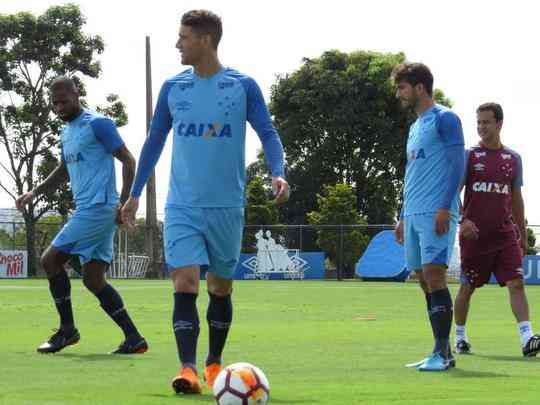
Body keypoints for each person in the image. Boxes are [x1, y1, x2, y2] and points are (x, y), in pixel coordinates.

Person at [120, 10, 289, 394]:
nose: (177, 44)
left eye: (183, 37)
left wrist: (278, 171)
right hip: (182, 205)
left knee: (220, 287)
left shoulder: (243, 86)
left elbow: (268, 132)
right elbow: (153, 143)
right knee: (184, 282)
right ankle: (188, 369)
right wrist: (132, 196)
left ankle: (214, 364)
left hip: (227, 206)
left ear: (206, 40)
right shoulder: (172, 88)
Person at [16, 76, 147, 355]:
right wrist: (33, 192)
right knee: (93, 279)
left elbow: (128, 160)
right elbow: (64, 169)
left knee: (50, 260)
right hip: (90, 210)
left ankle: (67, 331)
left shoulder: (98, 123)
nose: (59, 107)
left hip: (99, 208)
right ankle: (134, 338)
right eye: (55, 103)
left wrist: (123, 205)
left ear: (77, 94)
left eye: (64, 101)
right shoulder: (65, 132)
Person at [392, 62, 465, 371]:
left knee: (434, 275)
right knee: (422, 278)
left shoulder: (445, 119)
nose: (399, 94)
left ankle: (442, 353)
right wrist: (402, 214)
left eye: (402, 87)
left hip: (437, 210)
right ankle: (442, 349)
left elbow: (457, 163)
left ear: (419, 87)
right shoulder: (415, 126)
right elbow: (412, 172)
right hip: (413, 213)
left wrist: (445, 206)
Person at [454, 102, 540, 357]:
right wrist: (462, 220)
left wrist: (522, 233)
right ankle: (459, 336)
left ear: (499, 124)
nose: (481, 127)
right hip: (474, 236)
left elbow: (516, 198)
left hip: (504, 235)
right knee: (467, 288)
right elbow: (452, 192)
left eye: (486, 122)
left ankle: (527, 338)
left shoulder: (513, 159)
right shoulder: (469, 156)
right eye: (478, 122)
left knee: (517, 283)